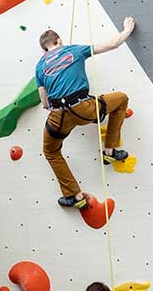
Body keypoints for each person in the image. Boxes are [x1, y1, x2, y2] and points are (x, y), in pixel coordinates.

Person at [34, 18, 135, 209]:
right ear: (59, 41)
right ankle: (110, 151)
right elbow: (113, 44)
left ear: (44, 50)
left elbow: (44, 102)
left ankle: (74, 195)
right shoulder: (73, 50)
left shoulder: (39, 67)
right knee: (121, 99)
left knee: (51, 151)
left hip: (58, 117)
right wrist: (127, 30)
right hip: (84, 108)